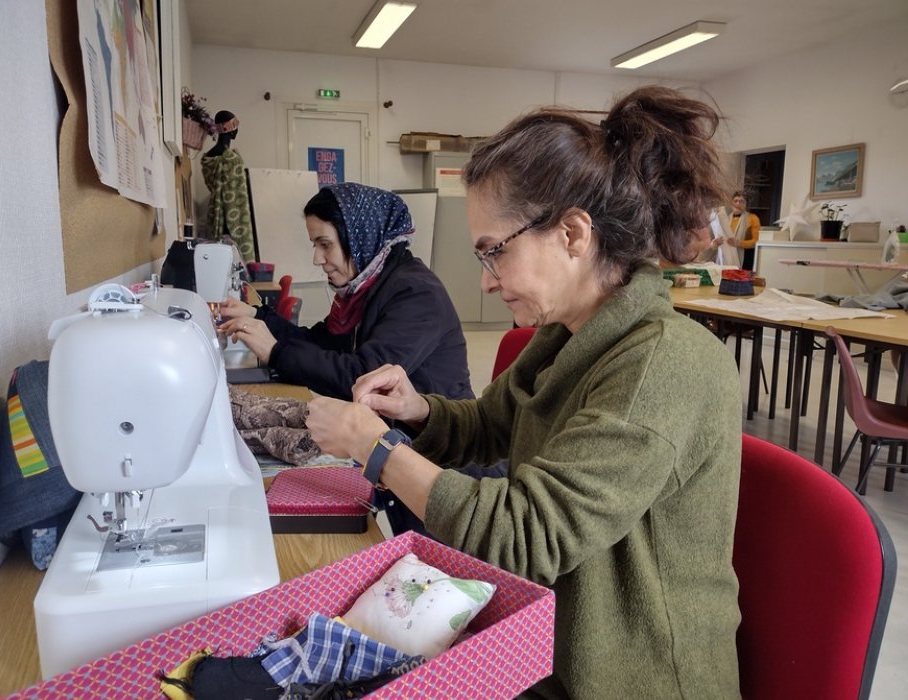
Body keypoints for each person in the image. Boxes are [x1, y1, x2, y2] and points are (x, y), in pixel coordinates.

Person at [304, 86, 743, 698]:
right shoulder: (566, 334)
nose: (487, 284)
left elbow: (525, 537)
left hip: (624, 674)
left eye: (494, 254)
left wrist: (379, 452)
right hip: (550, 637)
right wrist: (418, 409)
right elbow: (490, 425)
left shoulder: (662, 366)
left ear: (572, 234)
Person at [218, 183, 472, 403]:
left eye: (325, 245)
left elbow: (362, 377)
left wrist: (276, 352)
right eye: (315, 245)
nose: (317, 258)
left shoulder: (417, 295)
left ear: (361, 239)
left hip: (435, 451)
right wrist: (258, 316)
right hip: (391, 431)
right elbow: (319, 342)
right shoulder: (366, 288)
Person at [202, 110, 256, 262]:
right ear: (231, 129)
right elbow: (238, 194)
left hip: (215, 217)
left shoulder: (209, 158)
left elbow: (212, 186)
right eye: (236, 126)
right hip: (236, 217)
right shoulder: (232, 159)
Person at [725, 190, 761, 270]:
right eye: (736, 201)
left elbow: (756, 241)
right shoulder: (725, 219)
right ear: (732, 204)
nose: (738, 204)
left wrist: (739, 243)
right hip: (728, 257)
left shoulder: (753, 218)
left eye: (741, 201)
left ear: (746, 205)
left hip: (746, 257)